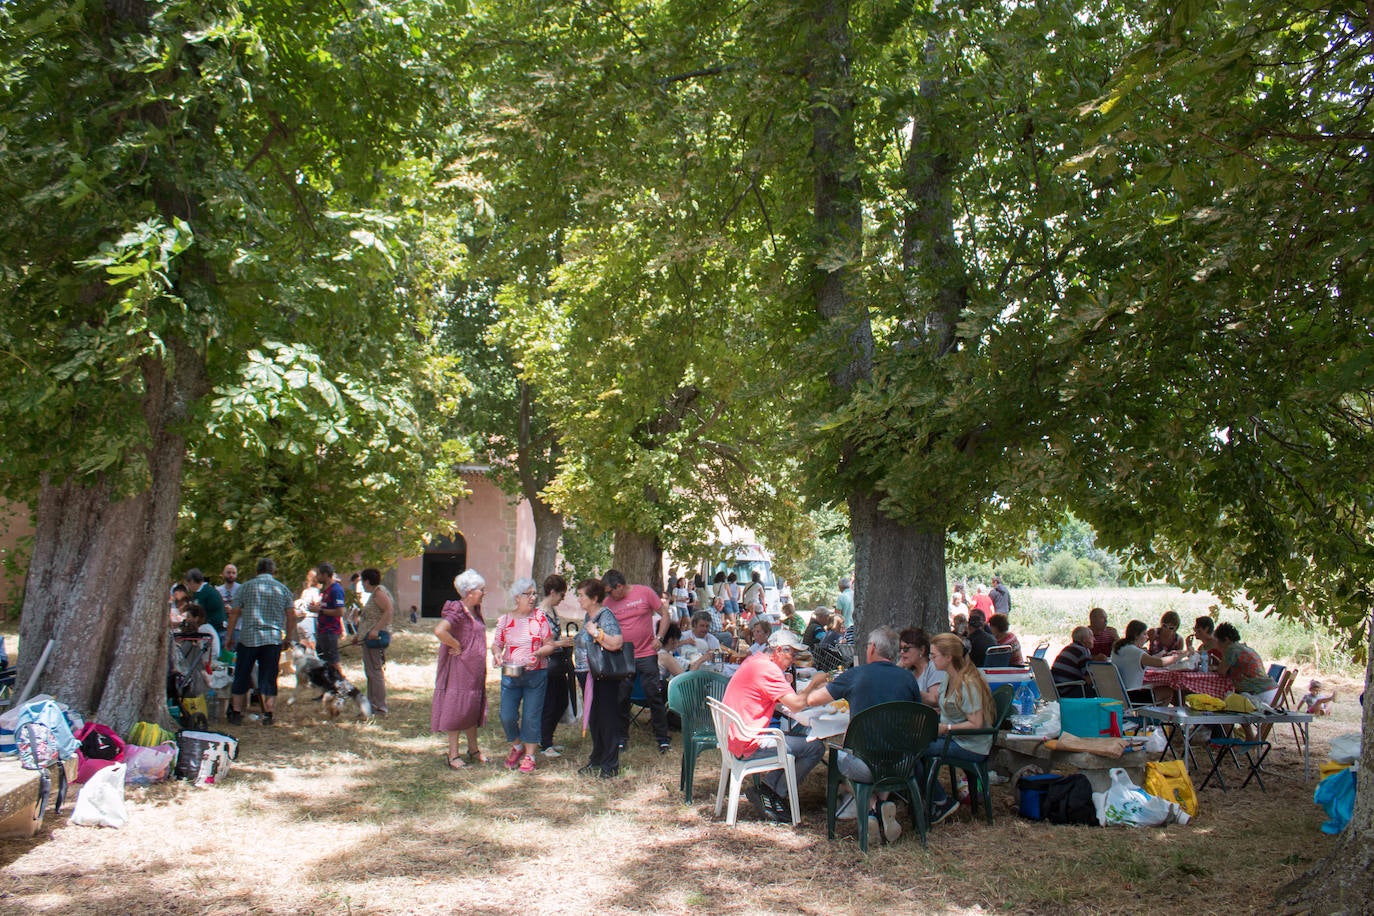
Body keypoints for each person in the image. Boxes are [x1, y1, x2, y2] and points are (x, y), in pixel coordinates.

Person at [804, 626, 921, 842]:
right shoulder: (908, 679)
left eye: (867, 645)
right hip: (902, 762)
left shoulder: (855, 675)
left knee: (841, 758)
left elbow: (812, 700)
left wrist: (815, 682)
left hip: (863, 765)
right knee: (882, 750)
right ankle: (883, 805)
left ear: (873, 648)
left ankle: (872, 807)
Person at [721, 629, 829, 822]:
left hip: (736, 736)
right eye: (792, 654)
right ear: (779, 650)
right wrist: (814, 683)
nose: (794, 659)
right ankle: (777, 794)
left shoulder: (756, 661)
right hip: (749, 742)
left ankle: (768, 788)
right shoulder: (769, 670)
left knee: (802, 731)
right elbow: (796, 704)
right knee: (815, 746)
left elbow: (775, 699)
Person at [922, 632, 997, 825]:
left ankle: (940, 801)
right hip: (956, 738)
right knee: (914, 742)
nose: (931, 660)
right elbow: (942, 706)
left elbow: (976, 723)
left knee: (917, 749)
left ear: (948, 657)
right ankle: (931, 798)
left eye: (934, 655)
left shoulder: (968, 682)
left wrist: (946, 728)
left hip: (971, 744)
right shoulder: (948, 678)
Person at [602, 569, 673, 753]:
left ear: (619, 586)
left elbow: (664, 614)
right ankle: (621, 737)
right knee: (622, 697)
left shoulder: (644, 592)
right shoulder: (608, 603)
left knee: (654, 695)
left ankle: (662, 738)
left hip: (647, 653)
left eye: (610, 591)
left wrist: (660, 637)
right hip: (623, 655)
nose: (608, 595)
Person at [491, 577, 554, 774]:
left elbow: (550, 645)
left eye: (535, 593)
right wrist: (496, 654)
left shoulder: (540, 618)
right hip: (511, 674)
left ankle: (530, 755)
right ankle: (517, 746)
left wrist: (538, 654)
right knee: (507, 715)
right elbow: (497, 644)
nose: (533, 597)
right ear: (517, 597)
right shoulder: (505, 620)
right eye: (529, 594)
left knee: (531, 716)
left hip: (536, 674)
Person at [224, 557, 295, 726]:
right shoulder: (283, 589)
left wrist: (229, 636)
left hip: (248, 638)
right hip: (272, 638)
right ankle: (268, 713)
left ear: (257, 571)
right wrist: (289, 638)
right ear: (273, 572)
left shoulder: (245, 587)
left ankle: (236, 712)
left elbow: (234, 613)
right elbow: (291, 615)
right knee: (269, 676)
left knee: (241, 675)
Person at [432, 569, 489, 769]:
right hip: (460, 669)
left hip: (474, 671)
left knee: (471, 708)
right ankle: (453, 754)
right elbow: (440, 630)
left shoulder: (475, 609)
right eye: (481, 589)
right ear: (470, 591)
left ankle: (473, 749)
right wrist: (456, 645)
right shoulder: (458, 609)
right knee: (457, 708)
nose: (484, 592)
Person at [574, 577, 625, 779]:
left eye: (581, 596)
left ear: (594, 598)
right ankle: (598, 757)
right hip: (588, 675)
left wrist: (597, 634)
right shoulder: (589, 616)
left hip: (602, 676)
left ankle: (610, 764)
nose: (578, 599)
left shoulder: (605, 616)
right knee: (595, 718)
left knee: (606, 718)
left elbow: (617, 642)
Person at [538, 574, 579, 758]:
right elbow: (537, 643)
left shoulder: (553, 612)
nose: (563, 599)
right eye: (561, 595)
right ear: (552, 592)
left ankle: (547, 738)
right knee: (550, 703)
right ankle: (544, 742)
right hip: (546, 664)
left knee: (562, 701)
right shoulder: (539, 614)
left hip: (558, 663)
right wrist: (559, 644)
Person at [1109, 619, 1178, 703]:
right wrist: (1180, 655)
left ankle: (1150, 714)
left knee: (1152, 688)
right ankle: (1154, 716)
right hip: (1131, 696)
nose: (1147, 637)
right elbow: (1161, 663)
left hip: (1115, 694)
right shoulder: (1136, 652)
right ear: (1136, 635)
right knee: (1168, 692)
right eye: (1144, 634)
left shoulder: (1118, 648)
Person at [357, 568, 395, 717]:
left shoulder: (379, 593)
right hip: (368, 638)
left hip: (374, 639)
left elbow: (389, 610)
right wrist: (359, 635)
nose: (362, 585)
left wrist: (376, 630)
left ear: (367, 581)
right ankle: (371, 704)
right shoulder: (375, 593)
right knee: (371, 672)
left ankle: (380, 707)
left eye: (362, 582)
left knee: (375, 672)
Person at [1213, 623, 1279, 705]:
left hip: (1260, 694)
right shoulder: (1244, 648)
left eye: (1217, 641)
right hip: (1273, 692)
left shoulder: (1231, 649)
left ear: (1226, 640)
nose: (1216, 645)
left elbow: (1221, 671)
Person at [312, 563, 347, 675]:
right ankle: (330, 684)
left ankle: (342, 684)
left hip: (330, 630)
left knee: (333, 661)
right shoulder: (325, 590)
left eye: (318, 574)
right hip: (322, 629)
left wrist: (320, 611)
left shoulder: (336, 590)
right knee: (324, 659)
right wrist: (318, 606)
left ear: (325, 575)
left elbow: (340, 611)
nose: (316, 577)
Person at [898, 628, 947, 703]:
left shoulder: (933, 667)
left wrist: (911, 691)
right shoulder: (909, 671)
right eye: (900, 648)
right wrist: (897, 669)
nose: (901, 652)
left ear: (922, 650)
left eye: (906, 648)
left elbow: (935, 699)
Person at [1051, 627, 1095, 698]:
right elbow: (1089, 679)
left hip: (1058, 689)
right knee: (1099, 690)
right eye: (1091, 637)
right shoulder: (1082, 651)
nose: (1094, 639)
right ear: (1084, 639)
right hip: (1068, 691)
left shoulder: (1068, 648)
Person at [185, 568, 226, 636]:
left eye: (188, 584)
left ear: (192, 581)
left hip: (216, 629)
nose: (188, 587)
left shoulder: (205, 593)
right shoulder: (202, 592)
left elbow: (199, 613)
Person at [294, 568, 320, 652]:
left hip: (300, 621)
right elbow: (316, 603)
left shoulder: (305, 591)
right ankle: (315, 662)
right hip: (310, 620)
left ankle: (304, 662)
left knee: (303, 645)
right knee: (312, 645)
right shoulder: (316, 591)